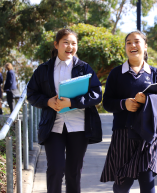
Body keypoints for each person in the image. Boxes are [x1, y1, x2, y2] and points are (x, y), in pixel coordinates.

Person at [27, 28, 102, 193]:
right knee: (56, 168)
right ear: (56, 45)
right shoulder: (43, 69)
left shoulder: (84, 68)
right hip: (53, 126)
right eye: (66, 42)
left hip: (79, 126)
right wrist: (47, 101)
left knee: (73, 172)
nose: (70, 47)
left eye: (74, 43)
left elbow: (96, 94)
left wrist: (73, 102)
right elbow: (31, 94)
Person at [100, 31, 157, 193]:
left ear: (145, 46)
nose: (132, 45)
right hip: (123, 134)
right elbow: (107, 102)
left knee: (147, 181)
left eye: (137, 41)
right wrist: (123, 104)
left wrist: (146, 100)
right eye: (128, 42)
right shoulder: (116, 73)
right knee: (122, 184)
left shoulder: (155, 73)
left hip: (148, 134)